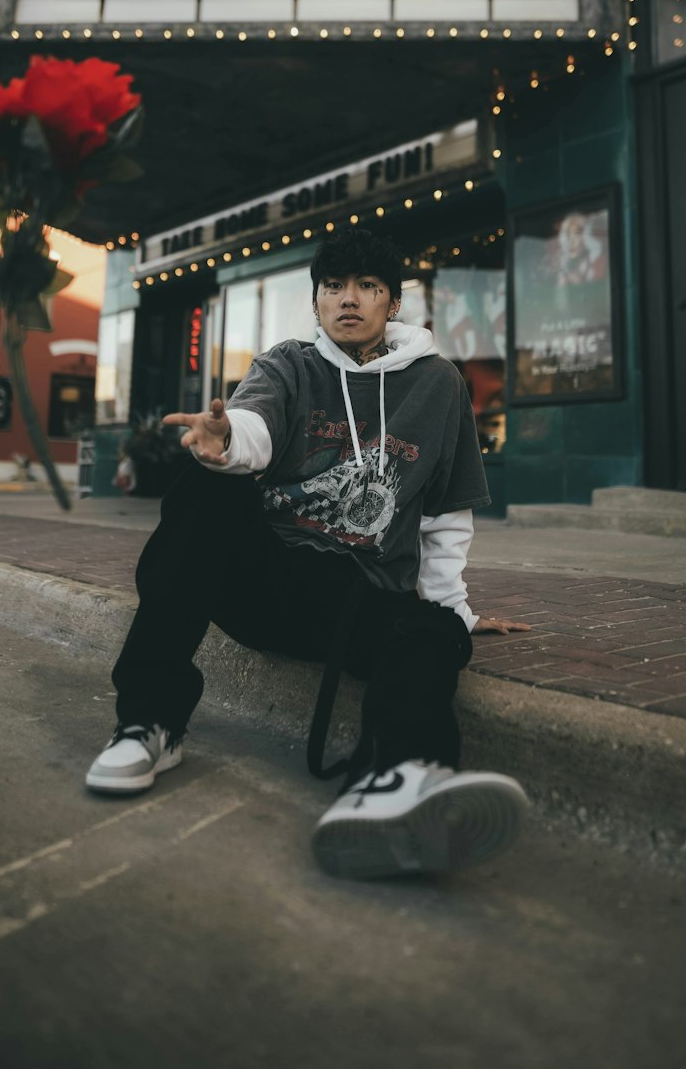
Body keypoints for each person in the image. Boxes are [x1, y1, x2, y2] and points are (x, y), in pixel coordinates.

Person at [86, 229, 531, 880]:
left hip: (360, 598)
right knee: (207, 489)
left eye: (366, 287)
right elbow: (256, 427)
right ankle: (149, 722)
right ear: (318, 299)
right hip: (273, 576)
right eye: (333, 287)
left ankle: (402, 777)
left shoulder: (438, 385)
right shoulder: (289, 363)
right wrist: (227, 440)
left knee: (433, 627)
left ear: (393, 301)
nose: (347, 300)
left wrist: (456, 609)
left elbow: (443, 511)